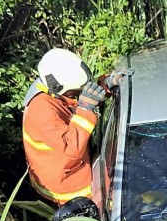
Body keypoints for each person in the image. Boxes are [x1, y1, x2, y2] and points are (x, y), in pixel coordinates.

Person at [21, 48, 126, 208]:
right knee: (92, 212)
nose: (78, 93)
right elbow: (71, 147)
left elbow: (78, 96)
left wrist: (106, 85)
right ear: (59, 88)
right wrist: (85, 109)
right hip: (66, 182)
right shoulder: (41, 110)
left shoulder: (55, 89)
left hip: (72, 165)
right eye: (75, 91)